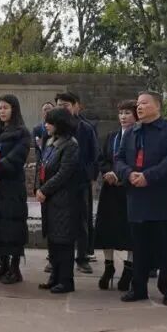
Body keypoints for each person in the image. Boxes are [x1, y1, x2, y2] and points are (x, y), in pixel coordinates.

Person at [115, 91, 167, 306]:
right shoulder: (132, 132)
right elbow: (119, 159)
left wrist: (148, 176)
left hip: (162, 198)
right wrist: (128, 174)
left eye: (144, 103)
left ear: (158, 106)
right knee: (139, 247)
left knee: (165, 248)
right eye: (138, 103)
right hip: (137, 197)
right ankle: (139, 288)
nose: (139, 107)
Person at [0, 95, 31, 283]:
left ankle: (15, 269)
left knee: (13, 228)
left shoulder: (22, 133)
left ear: (14, 109)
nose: (2, 111)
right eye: (0, 108)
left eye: (6, 108)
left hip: (12, 188)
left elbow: (16, 159)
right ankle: (3, 265)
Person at [36, 108, 82, 293]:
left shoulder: (70, 145)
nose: (46, 125)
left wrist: (44, 189)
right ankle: (54, 277)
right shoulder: (50, 142)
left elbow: (64, 173)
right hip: (50, 199)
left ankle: (65, 280)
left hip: (64, 200)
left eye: (50, 122)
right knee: (53, 240)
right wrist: (39, 188)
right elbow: (43, 167)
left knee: (63, 240)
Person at [95, 101, 137, 291]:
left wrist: (121, 176)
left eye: (127, 113)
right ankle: (109, 266)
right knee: (106, 227)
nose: (123, 117)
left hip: (129, 188)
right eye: (121, 113)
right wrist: (107, 172)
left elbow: (138, 162)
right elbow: (102, 159)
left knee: (129, 230)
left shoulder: (138, 136)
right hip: (110, 189)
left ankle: (129, 269)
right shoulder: (112, 136)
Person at [55, 92, 99, 273]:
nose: (62, 108)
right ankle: (55, 258)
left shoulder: (85, 128)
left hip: (80, 182)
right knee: (57, 222)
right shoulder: (53, 127)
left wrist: (90, 178)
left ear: (75, 106)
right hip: (57, 183)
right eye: (59, 105)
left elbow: (94, 155)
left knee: (81, 221)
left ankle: (82, 258)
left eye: (66, 105)